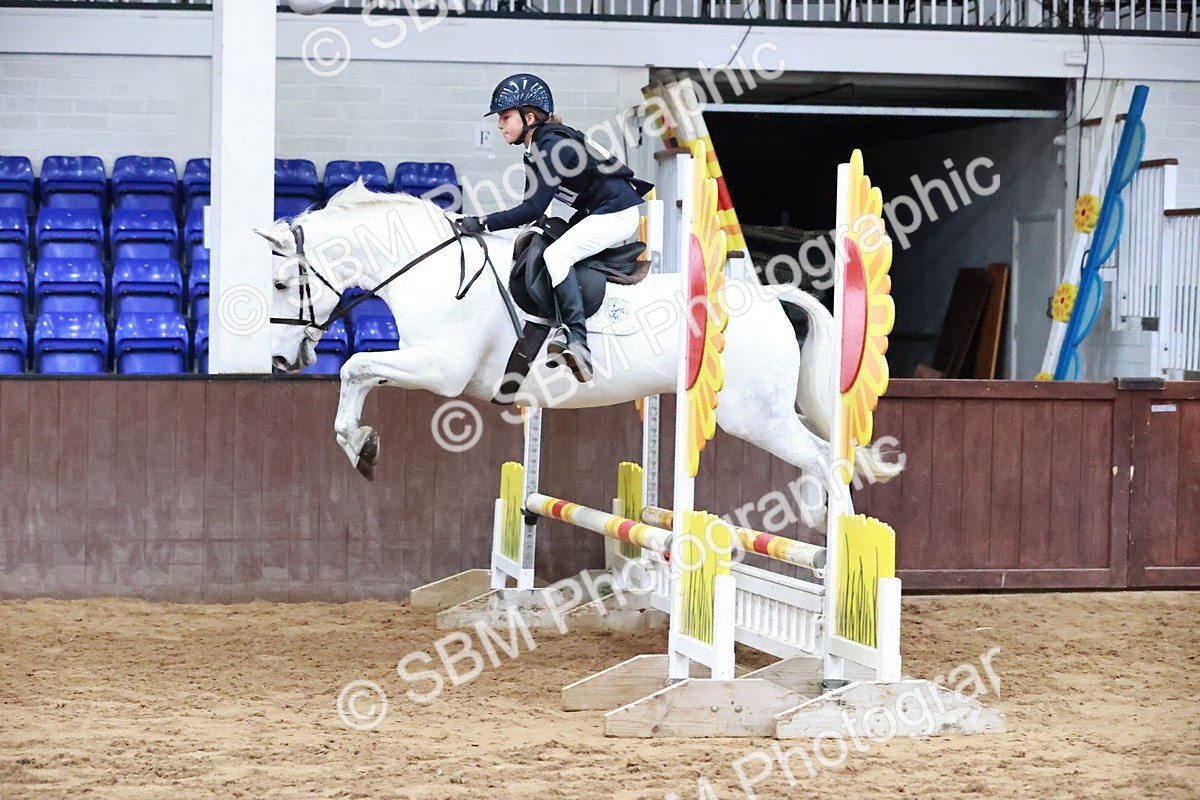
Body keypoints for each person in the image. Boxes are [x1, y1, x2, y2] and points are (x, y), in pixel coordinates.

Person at [460, 73, 652, 383]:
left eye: (505, 116)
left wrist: (483, 222)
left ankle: (578, 339)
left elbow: (532, 208)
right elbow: (533, 211)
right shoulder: (537, 147)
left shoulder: (551, 145)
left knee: (558, 255)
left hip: (617, 213)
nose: (499, 125)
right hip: (599, 211)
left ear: (530, 116)